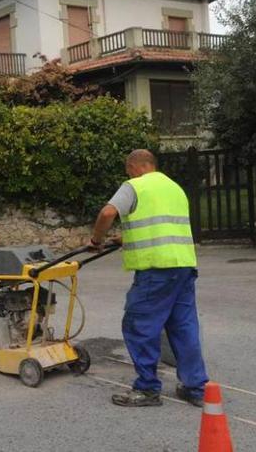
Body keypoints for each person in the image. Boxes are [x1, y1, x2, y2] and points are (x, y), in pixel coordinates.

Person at [88, 149, 208, 408]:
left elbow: (107, 213)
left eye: (128, 170)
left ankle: (147, 389)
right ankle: (195, 388)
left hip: (156, 271)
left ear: (134, 166)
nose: (128, 174)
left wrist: (96, 240)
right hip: (183, 266)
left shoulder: (134, 186)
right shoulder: (174, 187)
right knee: (184, 328)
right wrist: (125, 238)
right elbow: (162, 226)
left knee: (138, 325)